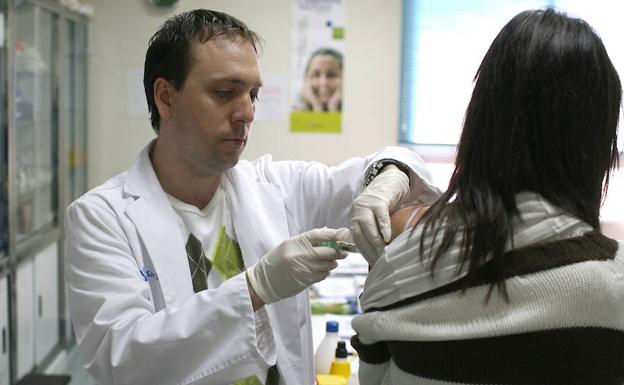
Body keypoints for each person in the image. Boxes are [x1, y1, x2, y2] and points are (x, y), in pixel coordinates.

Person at [64, 9, 439, 385]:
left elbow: (389, 162)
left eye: (253, 95)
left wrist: (387, 179)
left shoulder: (275, 186)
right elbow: (122, 359)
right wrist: (255, 289)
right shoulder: (102, 217)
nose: (246, 113)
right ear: (166, 97)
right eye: (225, 93)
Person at [351, 8, 624, 385]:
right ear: (595, 146)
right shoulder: (614, 287)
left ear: (482, 122)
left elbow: (373, 379)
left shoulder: (399, 265)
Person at [293, 48, 343, 112]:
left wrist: (333, 108)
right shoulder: (295, 111)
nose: (324, 82)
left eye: (331, 75)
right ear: (306, 80)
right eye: (316, 75)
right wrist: (316, 106)